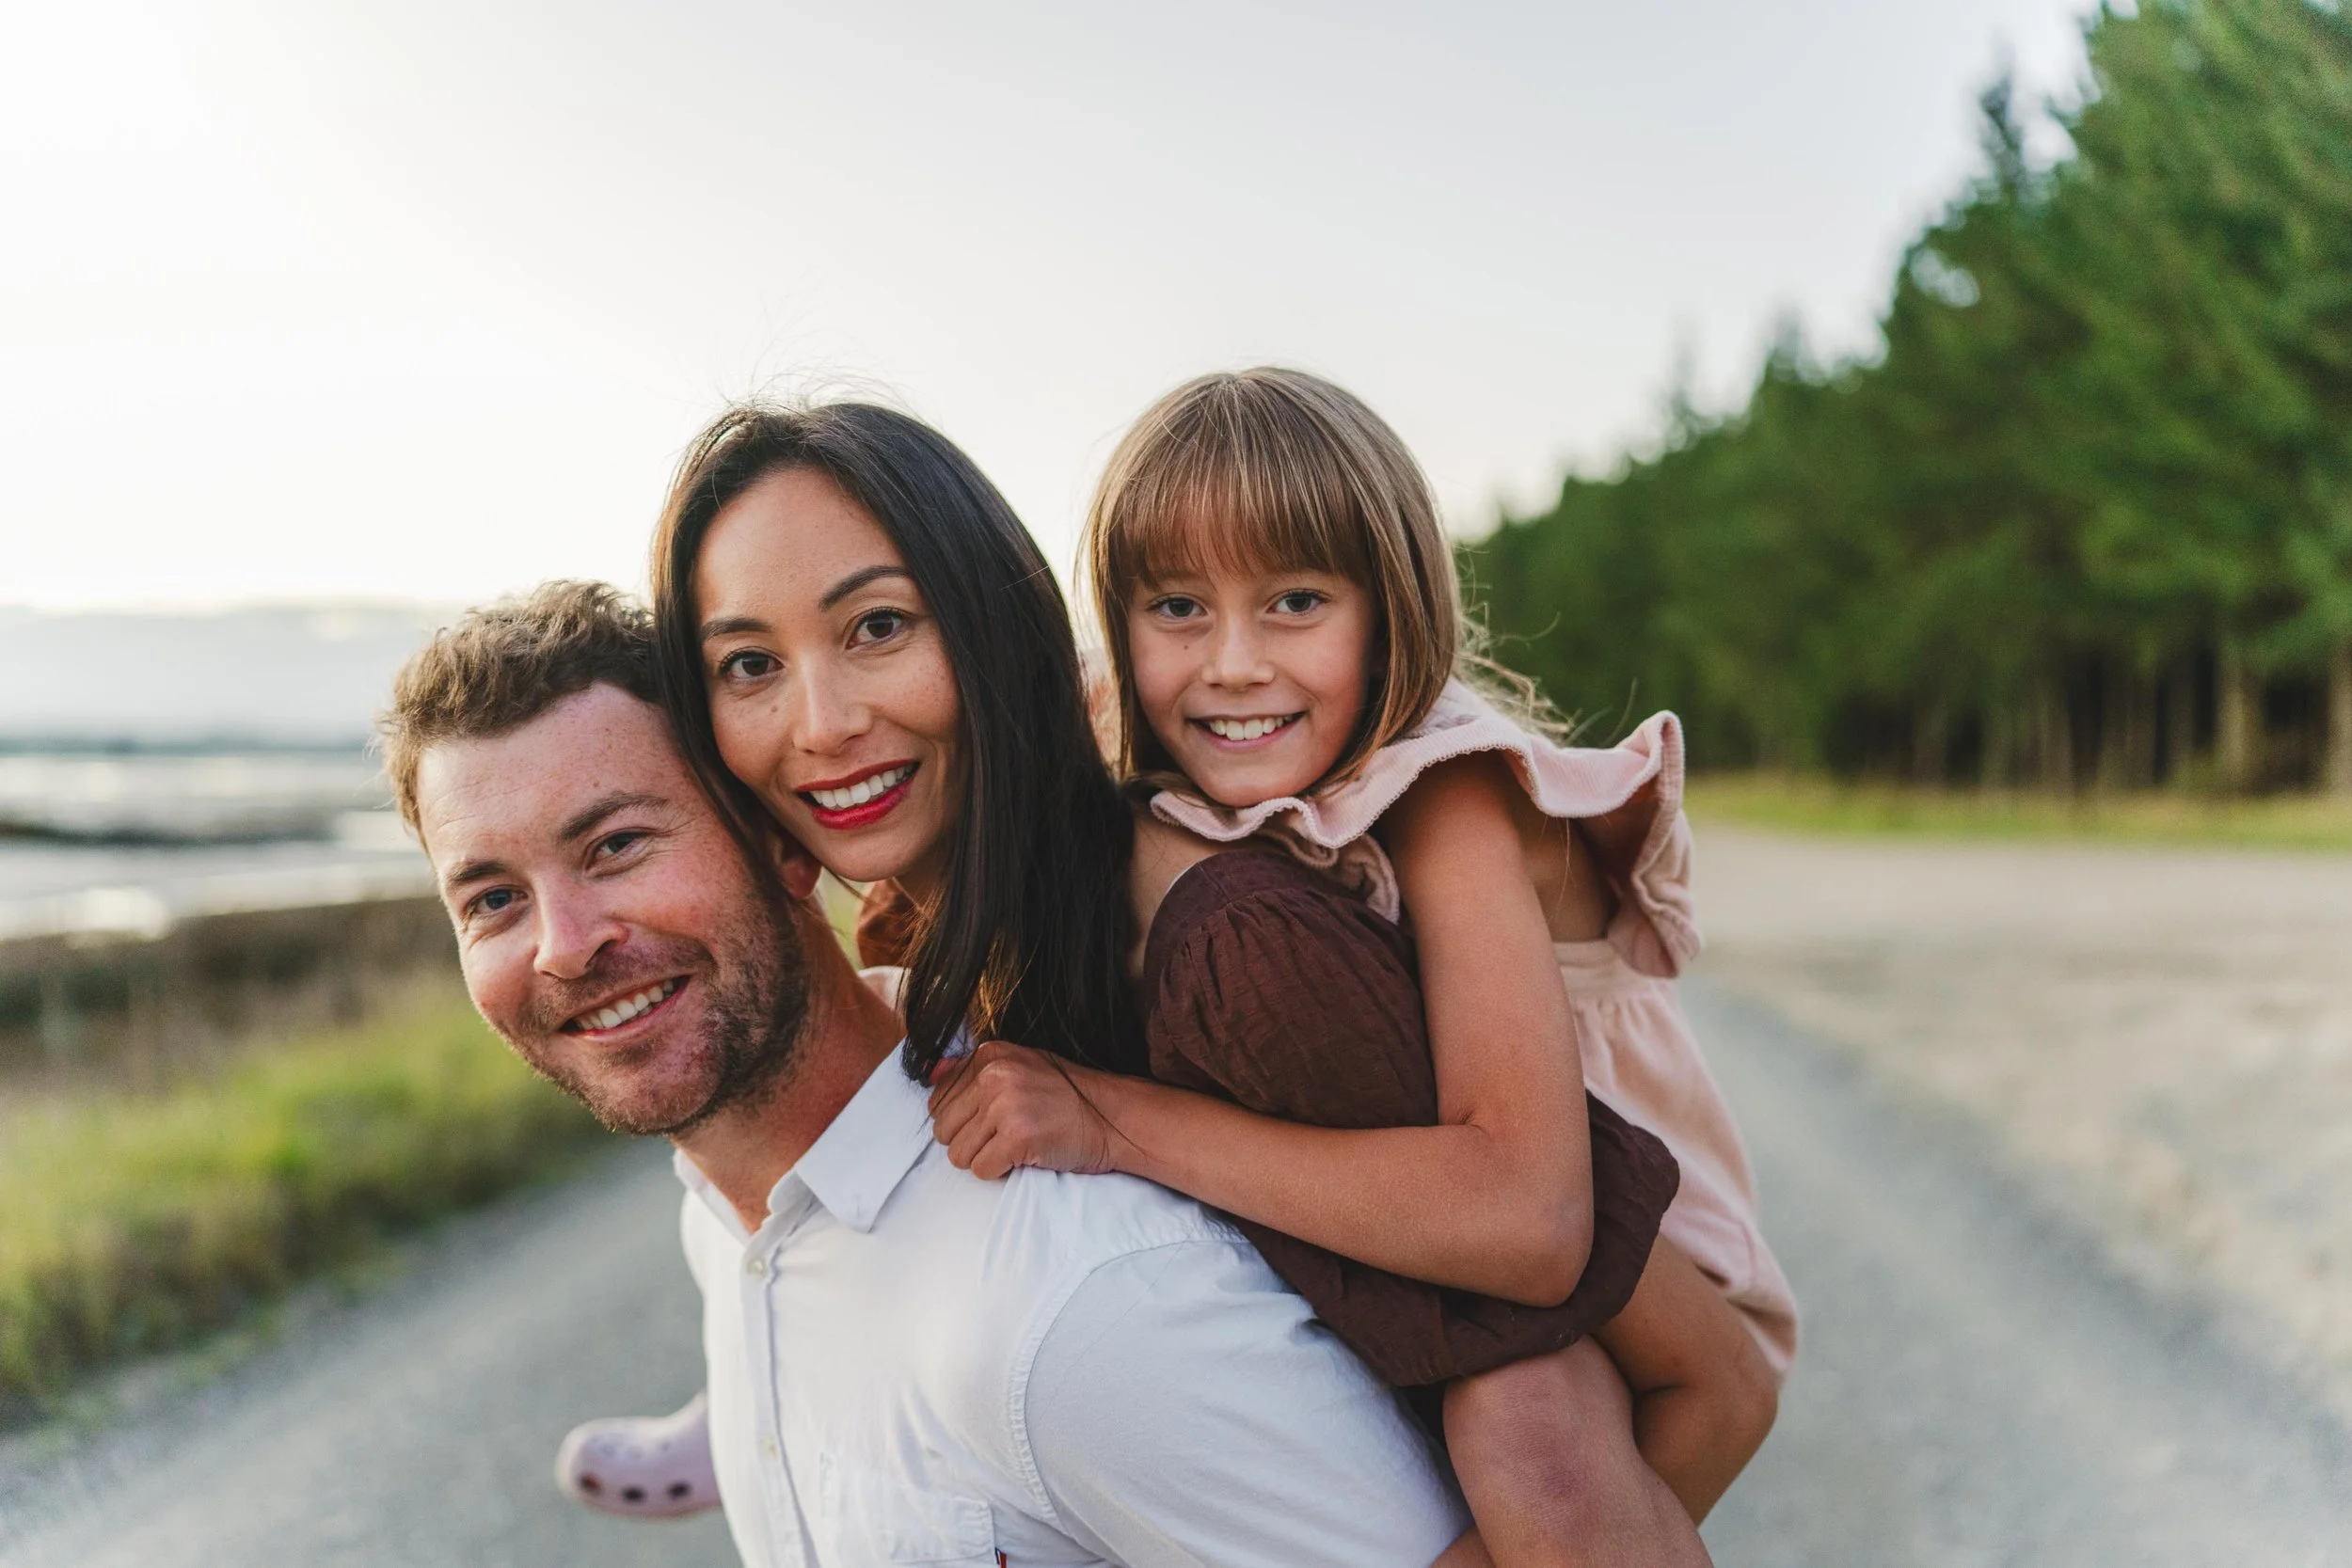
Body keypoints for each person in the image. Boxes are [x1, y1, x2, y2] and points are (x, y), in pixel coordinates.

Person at [382, 580, 1475, 1565]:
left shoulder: (1078, 1302)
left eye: (616, 844)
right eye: (490, 899)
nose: (562, 944)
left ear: (782, 839)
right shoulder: (727, 1228)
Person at [927, 369, 1794, 1559]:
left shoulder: (1453, 798)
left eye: (1293, 601)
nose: (1231, 661)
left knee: (1521, 1428)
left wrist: (1111, 1122)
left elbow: (1538, 1223)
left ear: (1388, 612)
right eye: (1176, 607)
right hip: (1412, 1193)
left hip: (1632, 1242)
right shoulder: (1144, 733)